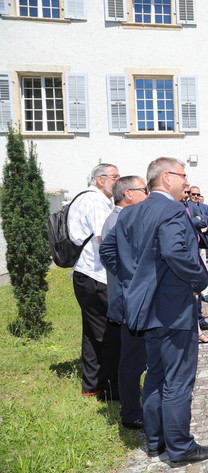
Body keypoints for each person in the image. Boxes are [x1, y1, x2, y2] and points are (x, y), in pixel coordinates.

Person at [100, 157, 208, 465]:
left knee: (155, 375)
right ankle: (180, 446)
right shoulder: (171, 210)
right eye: (182, 175)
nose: (185, 181)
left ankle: (155, 441)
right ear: (166, 177)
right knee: (177, 379)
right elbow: (174, 252)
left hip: (143, 310)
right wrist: (200, 280)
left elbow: (108, 250)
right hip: (172, 309)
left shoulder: (129, 213)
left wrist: (133, 277)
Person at [68, 162, 122, 400]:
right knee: (109, 334)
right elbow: (106, 239)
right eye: (114, 176)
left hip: (88, 274)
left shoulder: (91, 199)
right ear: (100, 179)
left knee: (93, 333)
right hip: (96, 274)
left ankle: (92, 387)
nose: (118, 181)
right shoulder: (95, 201)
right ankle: (109, 389)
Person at [101, 175, 148, 430]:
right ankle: (130, 413)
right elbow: (108, 253)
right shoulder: (120, 218)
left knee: (134, 359)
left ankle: (135, 405)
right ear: (128, 194)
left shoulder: (120, 217)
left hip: (127, 297)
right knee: (131, 361)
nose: (148, 194)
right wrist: (131, 275)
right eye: (144, 190)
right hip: (127, 301)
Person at [188, 186, 208, 301]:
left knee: (203, 267)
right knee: (192, 266)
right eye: (193, 194)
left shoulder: (204, 207)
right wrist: (199, 222)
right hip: (190, 241)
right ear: (189, 194)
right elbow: (187, 222)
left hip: (202, 241)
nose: (196, 196)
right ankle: (193, 291)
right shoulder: (185, 206)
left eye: (198, 194)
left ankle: (204, 292)